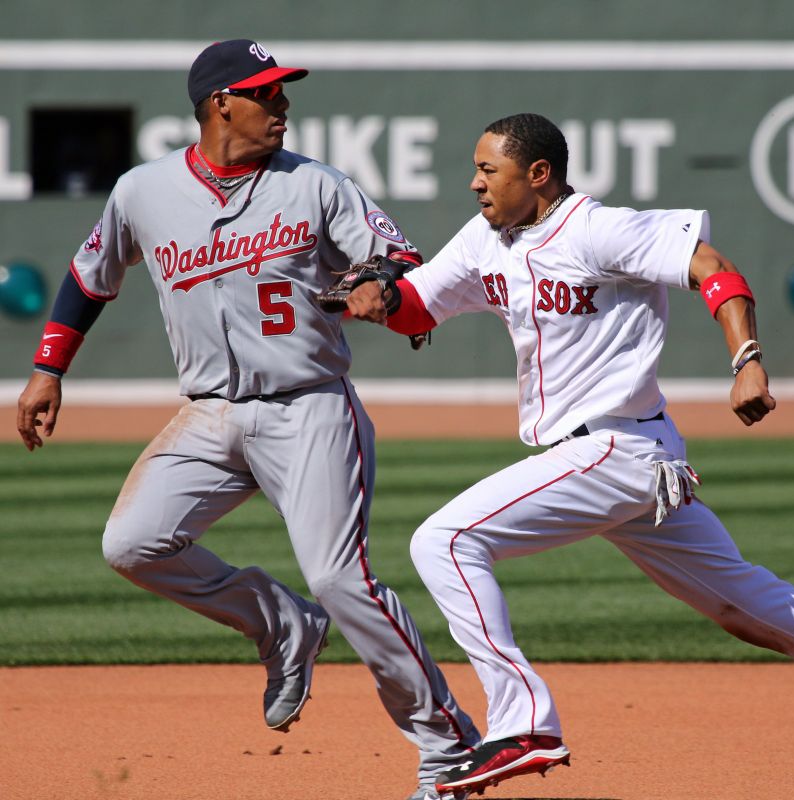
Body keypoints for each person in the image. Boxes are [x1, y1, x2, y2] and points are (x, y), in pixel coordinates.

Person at [339, 112, 794, 797]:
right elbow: (419, 307)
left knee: (445, 540)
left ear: (538, 174)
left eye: (488, 169)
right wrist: (381, 300)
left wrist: (748, 360)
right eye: (475, 169)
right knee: (748, 607)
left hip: (619, 448)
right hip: (621, 461)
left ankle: (523, 720)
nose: (474, 182)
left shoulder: (597, 229)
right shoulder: (485, 241)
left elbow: (712, 266)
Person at [15, 39, 479, 800]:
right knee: (132, 545)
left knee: (340, 578)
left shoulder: (317, 187)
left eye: (282, 93)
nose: (282, 107)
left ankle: (446, 744)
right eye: (267, 94)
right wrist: (46, 371)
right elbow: (86, 278)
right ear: (220, 103)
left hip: (309, 408)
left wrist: (379, 285)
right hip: (208, 413)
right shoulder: (144, 191)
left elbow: (401, 260)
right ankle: (280, 626)